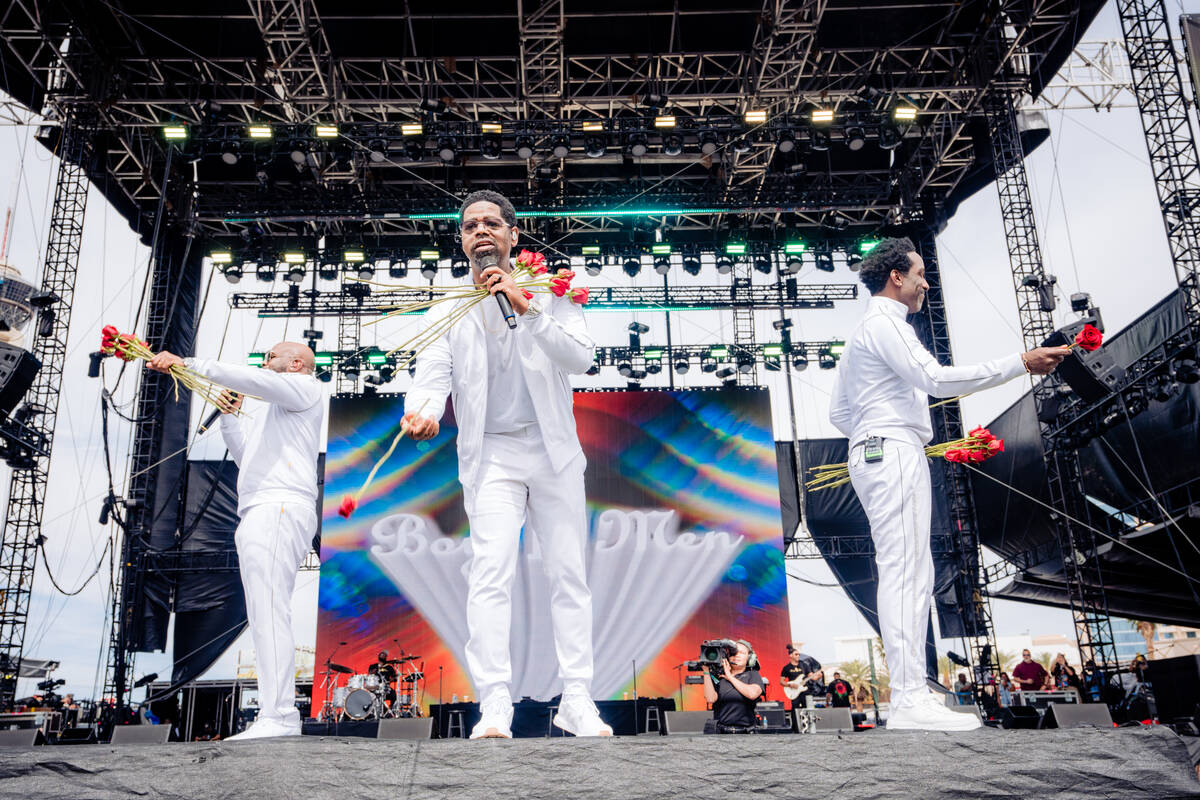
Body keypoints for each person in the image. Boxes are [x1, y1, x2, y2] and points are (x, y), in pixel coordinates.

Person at [828, 237, 1069, 732]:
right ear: (896, 276)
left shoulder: (864, 332)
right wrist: (1020, 363)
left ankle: (911, 697)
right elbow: (936, 381)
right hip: (891, 450)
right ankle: (909, 700)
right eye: (919, 273)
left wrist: (873, 430)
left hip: (875, 449)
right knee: (906, 574)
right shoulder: (885, 324)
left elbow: (838, 413)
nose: (925, 282)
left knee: (906, 570)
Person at [403, 190, 610, 739]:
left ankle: (578, 699)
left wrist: (526, 304)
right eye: (471, 226)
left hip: (552, 450)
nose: (481, 232)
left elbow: (582, 359)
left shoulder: (553, 290)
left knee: (568, 572)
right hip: (490, 452)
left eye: (492, 223)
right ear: (463, 240)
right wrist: (421, 411)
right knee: (491, 572)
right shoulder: (447, 306)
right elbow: (432, 371)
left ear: (513, 236)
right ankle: (494, 701)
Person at [148, 342, 324, 741]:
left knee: (269, 609)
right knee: (262, 612)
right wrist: (229, 418)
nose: (264, 361)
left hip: (279, 507)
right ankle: (275, 712)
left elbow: (253, 379)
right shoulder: (271, 411)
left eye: (272, 356)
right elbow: (249, 457)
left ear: (295, 363)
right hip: (259, 508)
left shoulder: (305, 388)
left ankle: (279, 716)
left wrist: (189, 363)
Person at [702, 640, 765, 733]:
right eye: (733, 652)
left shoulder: (753, 675)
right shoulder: (718, 676)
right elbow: (710, 699)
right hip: (722, 733)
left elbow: (752, 694)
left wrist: (730, 677)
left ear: (750, 658)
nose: (737, 655)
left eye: (742, 653)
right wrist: (706, 672)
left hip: (746, 734)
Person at [780, 643, 823, 709]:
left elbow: (812, 677)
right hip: (794, 691)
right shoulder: (786, 668)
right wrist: (790, 685)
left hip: (804, 690)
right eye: (796, 654)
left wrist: (818, 676)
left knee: (808, 709)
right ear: (790, 655)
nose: (798, 656)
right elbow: (781, 682)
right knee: (795, 709)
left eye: (799, 654)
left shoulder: (804, 665)